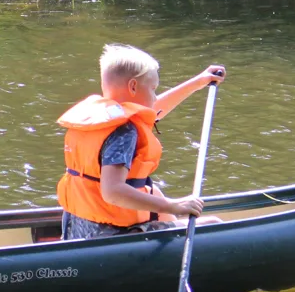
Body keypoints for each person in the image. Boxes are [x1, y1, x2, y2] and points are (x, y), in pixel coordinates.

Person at [57, 44, 225, 240]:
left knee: (153, 191)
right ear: (133, 86)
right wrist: (173, 205)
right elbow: (112, 192)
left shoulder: (98, 119)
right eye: (153, 89)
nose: (154, 96)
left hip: (77, 229)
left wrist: (199, 82)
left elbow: (151, 111)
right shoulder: (124, 132)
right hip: (111, 236)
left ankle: (172, 225)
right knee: (214, 225)